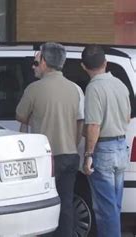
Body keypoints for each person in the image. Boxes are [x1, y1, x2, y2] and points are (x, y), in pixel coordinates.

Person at [15, 42, 83, 237]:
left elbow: (21, 116)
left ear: (44, 61)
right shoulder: (75, 89)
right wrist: (74, 142)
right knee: (66, 203)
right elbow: (81, 121)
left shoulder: (34, 89)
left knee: (45, 205)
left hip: (47, 157)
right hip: (70, 154)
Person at [81, 44, 130, 237]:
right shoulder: (119, 84)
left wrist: (88, 155)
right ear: (106, 62)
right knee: (114, 206)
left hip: (104, 150)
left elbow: (94, 125)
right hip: (120, 147)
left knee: (105, 209)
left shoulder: (94, 88)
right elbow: (126, 118)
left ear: (83, 66)